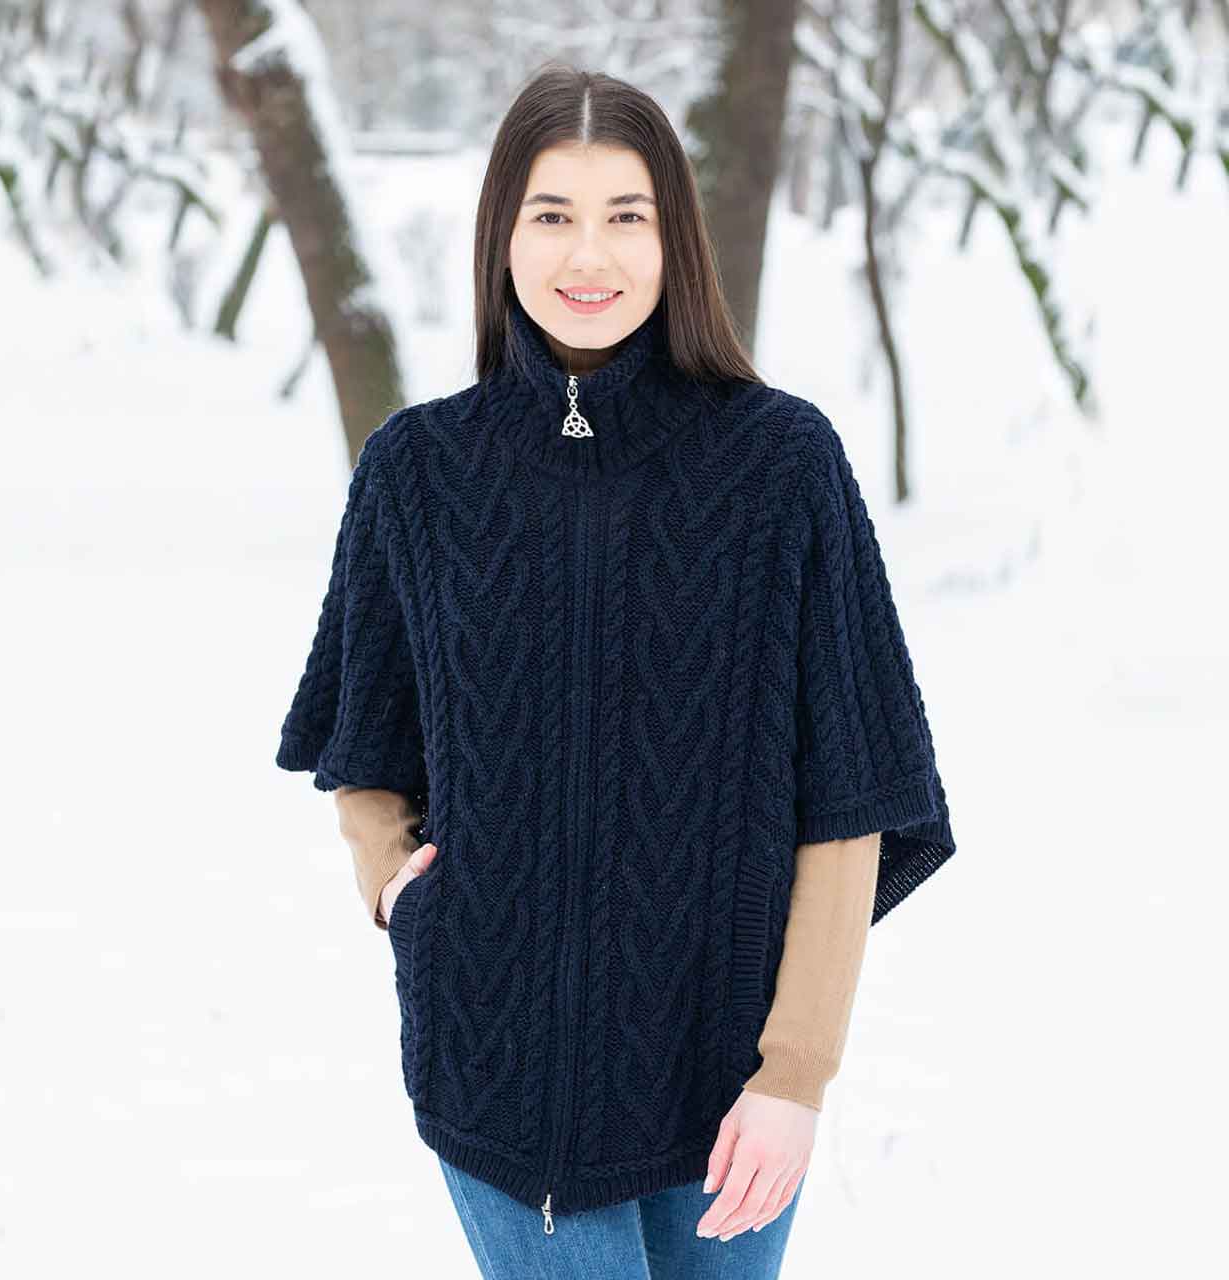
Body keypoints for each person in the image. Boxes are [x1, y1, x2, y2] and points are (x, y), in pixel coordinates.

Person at [275, 63, 956, 1280]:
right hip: (501, 1071)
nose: (586, 253)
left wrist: (794, 1073)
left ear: (672, 236)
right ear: (502, 236)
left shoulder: (781, 466)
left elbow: (852, 800)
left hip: (729, 1085)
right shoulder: (416, 471)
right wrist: (397, 889)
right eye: (551, 214)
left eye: (623, 215)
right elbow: (364, 745)